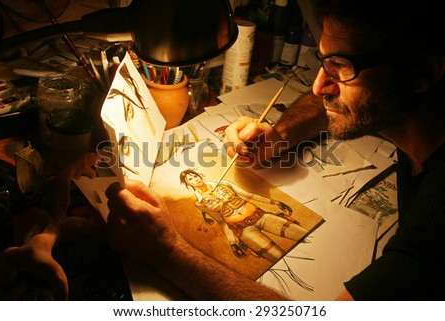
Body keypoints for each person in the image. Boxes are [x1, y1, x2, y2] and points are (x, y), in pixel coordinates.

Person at [105, 0, 445, 300]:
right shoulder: (419, 118)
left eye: (341, 68)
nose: (318, 85)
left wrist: (166, 251)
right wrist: (279, 135)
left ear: (421, 72)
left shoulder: (434, 230)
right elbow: (329, 99)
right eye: (324, 63)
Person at [179, 169, 307, 263]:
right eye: (190, 179)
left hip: (260, 216)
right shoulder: (199, 202)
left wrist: (275, 202)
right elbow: (221, 221)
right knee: (278, 257)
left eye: (195, 176)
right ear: (188, 184)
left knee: (302, 233)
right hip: (244, 230)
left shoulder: (223, 183)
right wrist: (233, 243)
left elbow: (248, 195)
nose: (195, 179)